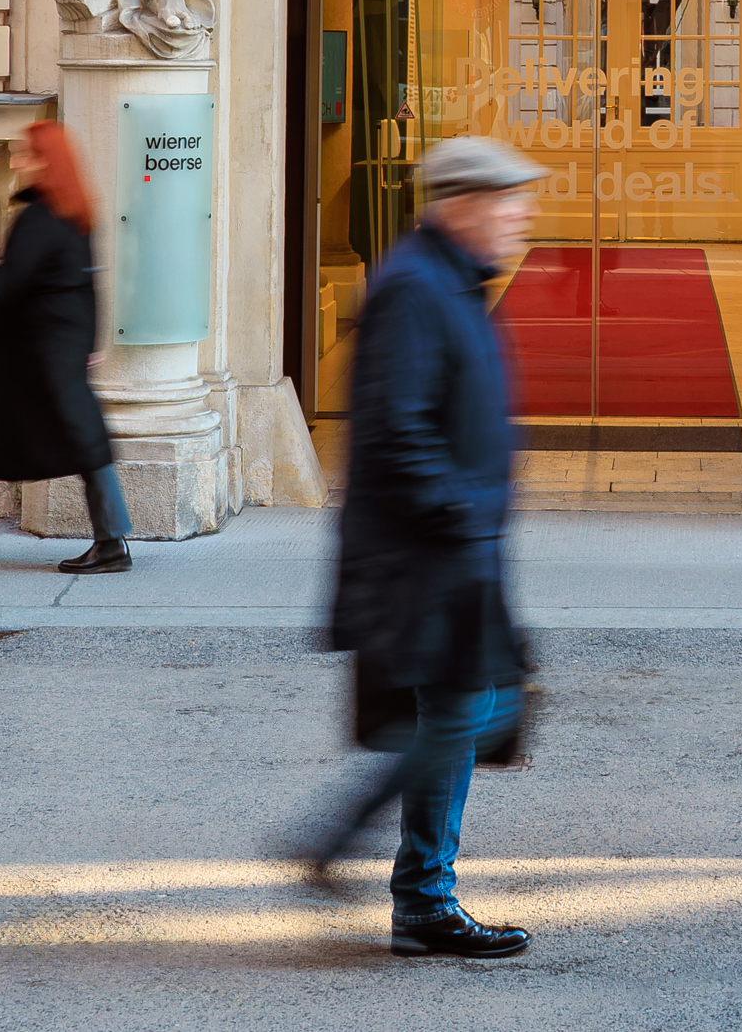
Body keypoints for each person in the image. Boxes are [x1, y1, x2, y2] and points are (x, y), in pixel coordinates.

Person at [292, 135, 542, 960]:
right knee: (467, 709)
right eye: (508, 203)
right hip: (427, 553)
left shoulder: (451, 281)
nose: (521, 219)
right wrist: (462, 509)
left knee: (476, 706)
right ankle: (401, 881)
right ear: (462, 205)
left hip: (456, 547)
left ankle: (414, 888)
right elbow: (396, 430)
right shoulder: (413, 287)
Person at [0, 121, 131, 574]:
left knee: (84, 442)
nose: (17, 160)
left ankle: (112, 543)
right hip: (52, 346)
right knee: (2, 433)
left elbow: (11, 276)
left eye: (26, 153)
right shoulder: (76, 211)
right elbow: (88, 283)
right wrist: (91, 339)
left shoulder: (42, 216)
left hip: (40, 350)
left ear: (45, 161)